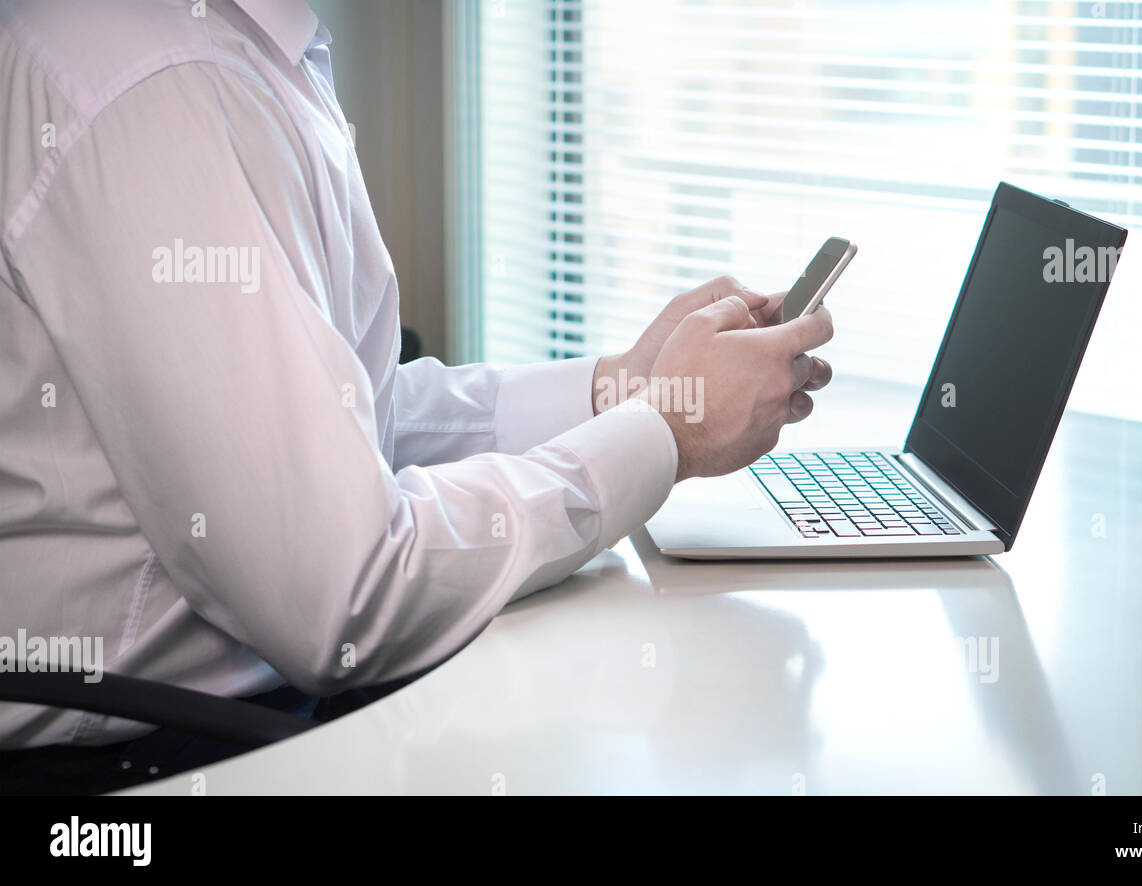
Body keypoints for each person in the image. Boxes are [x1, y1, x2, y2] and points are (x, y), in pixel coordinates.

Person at [0, 0, 832, 784]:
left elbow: (351, 420)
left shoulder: (247, 50)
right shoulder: (159, 86)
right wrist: (664, 433)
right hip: (151, 763)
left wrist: (621, 392)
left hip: (234, 717)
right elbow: (341, 596)